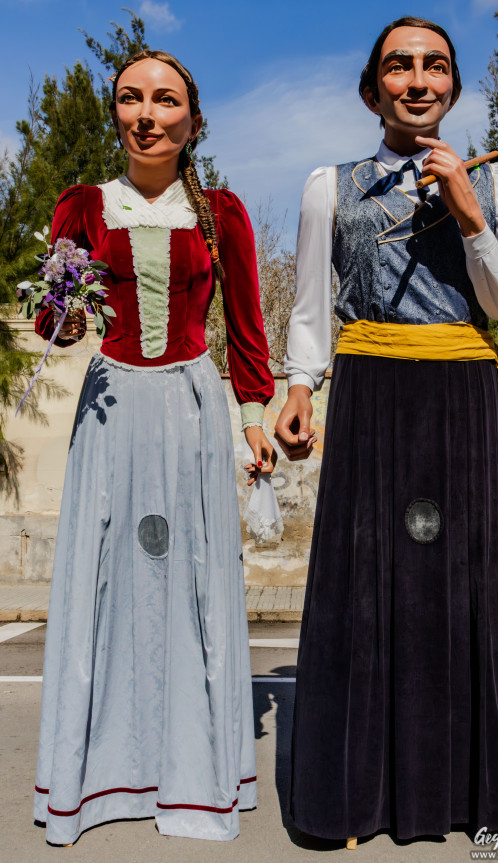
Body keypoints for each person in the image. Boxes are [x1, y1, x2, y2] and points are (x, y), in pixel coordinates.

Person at [275, 17, 498, 845]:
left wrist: (465, 210)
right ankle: (355, 797)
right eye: (399, 66)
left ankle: (462, 794)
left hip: (458, 391)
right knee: (363, 589)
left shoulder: (496, 185)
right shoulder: (330, 185)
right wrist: (299, 388)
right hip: (371, 390)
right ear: (372, 85)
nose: (417, 80)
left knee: (458, 588)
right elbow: (313, 307)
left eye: (434, 67)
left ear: (451, 86)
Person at [33, 49, 276, 846]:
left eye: (165, 100)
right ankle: (98, 773)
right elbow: (51, 318)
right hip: (110, 405)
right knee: (103, 578)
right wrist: (63, 320)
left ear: (192, 120)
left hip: (190, 401)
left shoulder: (226, 214)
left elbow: (244, 330)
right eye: (130, 98)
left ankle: (194, 769)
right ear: (116, 115)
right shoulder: (82, 206)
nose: (147, 113)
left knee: (195, 576)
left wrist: (252, 423)